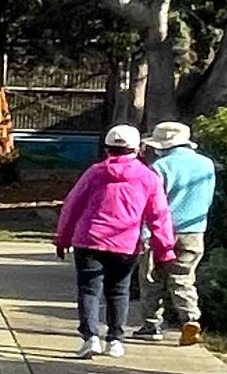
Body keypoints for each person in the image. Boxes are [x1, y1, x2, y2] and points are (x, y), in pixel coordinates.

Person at [55, 123, 177, 360]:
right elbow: (159, 215)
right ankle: (115, 340)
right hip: (125, 243)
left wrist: (63, 237)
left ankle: (90, 338)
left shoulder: (94, 173)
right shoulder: (148, 177)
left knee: (89, 290)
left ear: (107, 149)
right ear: (138, 149)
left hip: (89, 240)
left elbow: (72, 205)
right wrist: (164, 250)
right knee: (119, 292)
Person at [136, 121, 217, 346]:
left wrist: (144, 234)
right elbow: (209, 197)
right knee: (183, 277)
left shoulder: (160, 167)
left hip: (161, 230)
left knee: (151, 278)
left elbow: (151, 203)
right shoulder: (206, 164)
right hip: (194, 229)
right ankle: (190, 318)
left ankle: (151, 325)